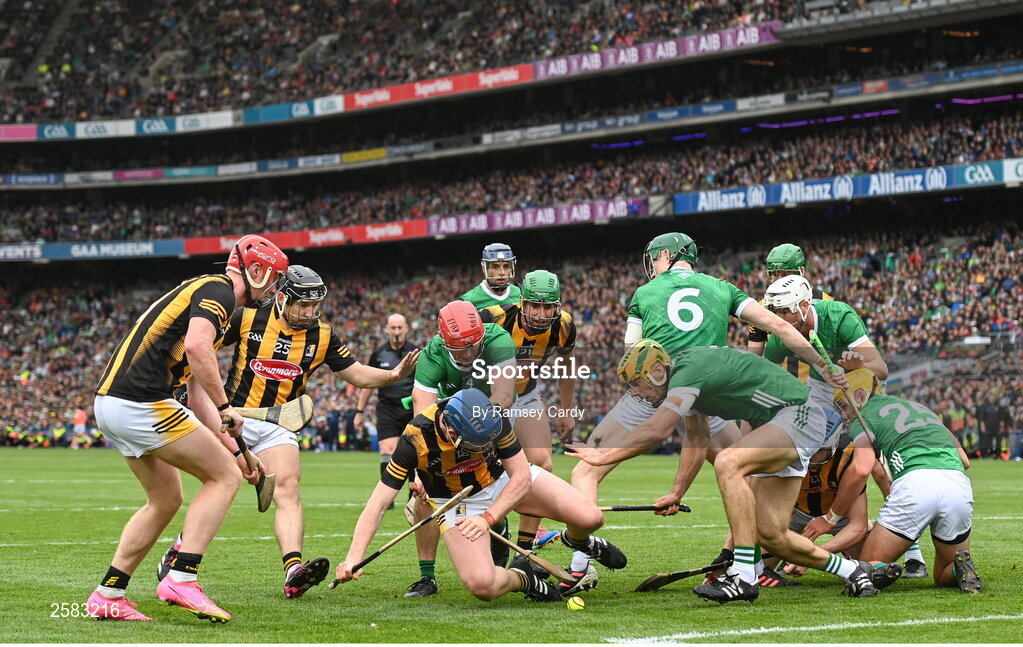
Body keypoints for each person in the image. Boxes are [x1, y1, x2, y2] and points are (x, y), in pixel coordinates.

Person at [569, 232, 848, 588]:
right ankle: (747, 561)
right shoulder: (722, 287)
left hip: (656, 386)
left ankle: (580, 562)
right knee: (742, 472)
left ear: (665, 255)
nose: (651, 265)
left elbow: (632, 354)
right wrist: (823, 366)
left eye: (654, 258)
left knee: (585, 472)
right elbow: (778, 326)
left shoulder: (644, 293)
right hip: (710, 386)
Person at [156, 265, 419, 599]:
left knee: (288, 488)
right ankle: (179, 554)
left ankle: (294, 570)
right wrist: (185, 385)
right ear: (282, 298)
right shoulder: (248, 317)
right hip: (232, 418)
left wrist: (393, 375)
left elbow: (356, 374)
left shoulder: (322, 335)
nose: (309, 313)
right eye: (302, 305)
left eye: (314, 306)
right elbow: (200, 344)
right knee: (221, 485)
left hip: (279, 422)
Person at [569, 341, 890, 605]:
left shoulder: (686, 372)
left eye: (636, 385)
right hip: (781, 424)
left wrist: (603, 456)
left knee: (728, 462)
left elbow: (657, 430)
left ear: (655, 371)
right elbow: (696, 438)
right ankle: (853, 571)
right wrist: (677, 492)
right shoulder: (686, 385)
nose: (636, 394)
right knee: (773, 536)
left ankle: (743, 576)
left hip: (798, 415)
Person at [87, 235, 289, 622]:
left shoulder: (203, 294)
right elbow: (198, 348)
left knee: (165, 498)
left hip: (110, 405)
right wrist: (228, 409)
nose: (274, 289)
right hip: (142, 401)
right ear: (258, 270)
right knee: (224, 480)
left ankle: (108, 593)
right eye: (274, 279)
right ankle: (181, 577)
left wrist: (237, 451)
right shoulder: (220, 291)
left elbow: (197, 398)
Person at [333, 389, 626, 602]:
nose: (484, 447)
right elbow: (379, 502)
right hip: (459, 503)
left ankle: (578, 541)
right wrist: (352, 558)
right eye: (476, 445)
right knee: (483, 586)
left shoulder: (491, 418)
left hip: (502, 479)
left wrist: (489, 518)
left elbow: (521, 476)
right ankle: (523, 580)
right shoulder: (414, 439)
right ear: (449, 428)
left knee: (591, 516)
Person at [403, 300, 518, 597]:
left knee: (508, 477)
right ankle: (427, 576)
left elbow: (504, 395)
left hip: (491, 421)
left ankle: (505, 531)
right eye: (460, 349)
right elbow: (423, 409)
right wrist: (422, 470)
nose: (468, 354)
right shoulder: (433, 354)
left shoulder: (498, 339)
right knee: (425, 495)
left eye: (473, 345)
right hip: (449, 426)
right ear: (444, 341)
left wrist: (481, 431)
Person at [835, 369, 982, 594]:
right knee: (944, 574)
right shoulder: (923, 409)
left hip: (916, 484)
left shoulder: (862, 419)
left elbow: (861, 469)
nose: (844, 412)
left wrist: (831, 517)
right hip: (957, 483)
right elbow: (965, 460)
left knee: (864, 568)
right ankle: (960, 569)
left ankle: (883, 570)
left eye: (845, 404)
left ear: (861, 396)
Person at [479, 269, 580, 574]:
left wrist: (566, 408)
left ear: (557, 306)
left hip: (526, 395)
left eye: (548, 306)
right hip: (488, 397)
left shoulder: (563, 326)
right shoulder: (492, 317)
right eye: (535, 306)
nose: (540, 313)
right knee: (486, 472)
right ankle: (496, 524)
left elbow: (565, 365)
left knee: (541, 464)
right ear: (521, 301)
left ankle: (524, 550)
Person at [758, 433, 870, 587]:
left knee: (871, 565)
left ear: (833, 446)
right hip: (796, 514)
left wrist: (811, 555)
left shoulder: (846, 454)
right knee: (757, 569)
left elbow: (858, 526)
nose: (810, 457)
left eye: (817, 451)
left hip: (841, 517)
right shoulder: (785, 452)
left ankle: (847, 551)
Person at [354, 313, 418, 504]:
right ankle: (387, 498)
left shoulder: (416, 353)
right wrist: (359, 411)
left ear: (406, 328)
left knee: (415, 451)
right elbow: (368, 383)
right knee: (387, 449)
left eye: (400, 328)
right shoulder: (378, 353)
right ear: (387, 329)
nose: (397, 332)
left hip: (412, 408)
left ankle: (414, 493)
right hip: (387, 409)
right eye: (393, 328)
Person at [461, 243, 521, 308]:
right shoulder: (468, 301)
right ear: (484, 268)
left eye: (506, 266)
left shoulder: (520, 294)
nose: (502, 272)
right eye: (495, 267)